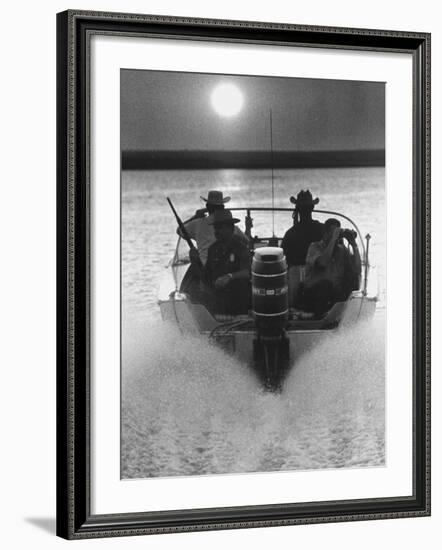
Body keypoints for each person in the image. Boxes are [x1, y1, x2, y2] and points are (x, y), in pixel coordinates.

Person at [300, 218, 361, 316]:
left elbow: (357, 270)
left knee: (352, 278)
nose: (336, 236)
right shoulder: (314, 247)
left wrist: (354, 245)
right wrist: (333, 239)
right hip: (314, 295)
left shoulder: (342, 250)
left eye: (337, 233)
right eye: (333, 233)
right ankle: (319, 316)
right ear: (325, 233)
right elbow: (323, 263)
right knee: (326, 284)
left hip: (333, 295)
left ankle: (343, 313)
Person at [194, 209, 251, 315]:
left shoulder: (241, 247)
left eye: (220, 227)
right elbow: (206, 277)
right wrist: (195, 261)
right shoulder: (213, 249)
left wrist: (229, 276)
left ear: (231, 228)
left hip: (238, 299)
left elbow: (248, 272)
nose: (217, 231)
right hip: (218, 298)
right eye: (215, 228)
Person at [178, 190, 246, 266]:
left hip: (204, 266)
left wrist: (195, 217)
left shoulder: (196, 223)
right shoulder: (230, 226)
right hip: (223, 266)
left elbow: (179, 230)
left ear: (207, 207)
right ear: (223, 207)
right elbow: (246, 241)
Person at [281, 190, 324, 305]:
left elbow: (284, 259)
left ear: (297, 209)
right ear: (312, 208)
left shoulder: (290, 233)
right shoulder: (322, 229)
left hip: (294, 276)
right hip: (317, 274)